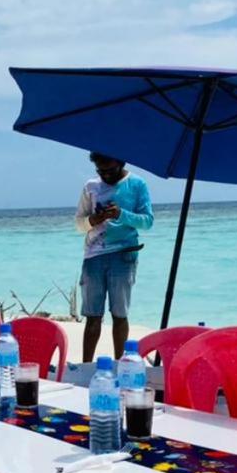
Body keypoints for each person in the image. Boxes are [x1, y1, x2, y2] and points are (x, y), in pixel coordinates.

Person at [75, 151, 153, 360]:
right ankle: (86, 365)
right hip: (93, 256)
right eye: (101, 171)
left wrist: (120, 214)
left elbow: (147, 221)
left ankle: (120, 364)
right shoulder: (91, 186)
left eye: (110, 170)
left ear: (121, 163)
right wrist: (93, 220)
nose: (106, 176)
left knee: (120, 315)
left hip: (124, 254)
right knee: (92, 316)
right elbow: (79, 224)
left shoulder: (137, 184)